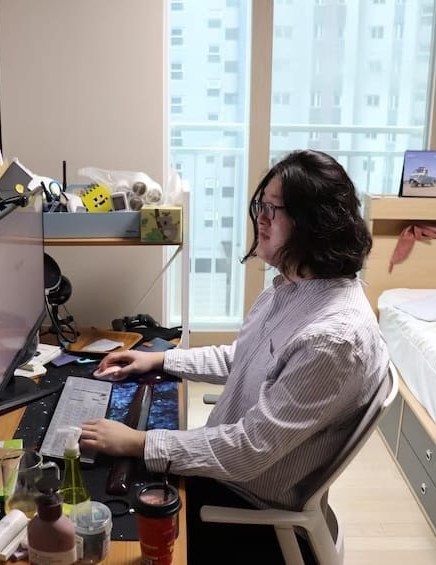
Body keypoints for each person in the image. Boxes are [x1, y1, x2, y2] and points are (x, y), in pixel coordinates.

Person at [80, 149, 389, 562]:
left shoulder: (332, 339)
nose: (259, 218)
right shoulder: (294, 288)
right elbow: (243, 359)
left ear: (314, 223)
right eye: (260, 205)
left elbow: (248, 451)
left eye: (273, 209)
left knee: (96, 511)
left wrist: (139, 442)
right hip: (232, 475)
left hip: (247, 505)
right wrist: (160, 360)